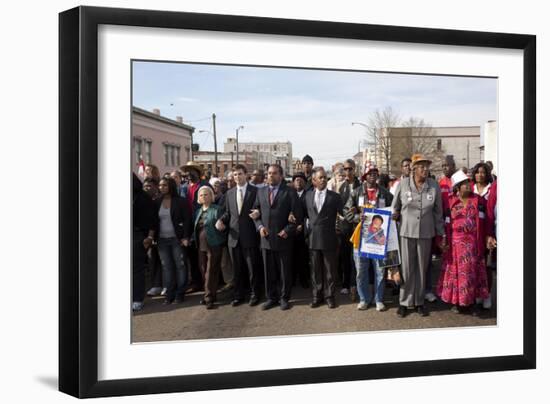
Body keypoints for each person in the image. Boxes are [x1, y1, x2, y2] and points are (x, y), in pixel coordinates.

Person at [391, 154, 446, 317]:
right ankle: (404, 302)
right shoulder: (403, 184)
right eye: (422, 166)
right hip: (406, 232)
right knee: (407, 269)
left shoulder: (433, 185)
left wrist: (442, 235)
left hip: (426, 233)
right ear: (414, 169)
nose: (425, 169)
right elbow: (395, 207)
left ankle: (419, 301)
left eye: (427, 166)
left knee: (422, 268)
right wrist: (394, 214)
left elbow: (438, 213)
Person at [437, 170, 496, 315]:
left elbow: (487, 219)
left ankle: (470, 303)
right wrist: (443, 240)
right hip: (455, 245)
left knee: (471, 275)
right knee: (456, 275)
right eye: (464, 184)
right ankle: (458, 302)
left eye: (469, 183)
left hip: (473, 245)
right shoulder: (450, 201)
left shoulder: (479, 200)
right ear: (457, 187)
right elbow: (445, 223)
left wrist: (488, 236)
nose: (469, 186)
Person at [252, 164, 302, 310]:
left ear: (280, 175)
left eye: (274, 173)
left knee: (284, 271)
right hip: (266, 239)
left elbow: (297, 215)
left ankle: (284, 298)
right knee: (269, 271)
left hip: (283, 238)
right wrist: (259, 226)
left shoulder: (290, 192)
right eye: (268, 173)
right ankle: (271, 297)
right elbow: (255, 212)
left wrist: (288, 230)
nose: (270, 176)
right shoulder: (260, 192)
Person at [345, 163, 393, 311]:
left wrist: (393, 216)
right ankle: (364, 299)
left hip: (379, 239)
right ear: (365, 176)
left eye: (375, 173)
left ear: (377, 175)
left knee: (380, 271)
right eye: (369, 173)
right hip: (361, 238)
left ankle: (379, 299)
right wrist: (356, 217)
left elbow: (393, 211)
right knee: (361, 270)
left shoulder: (386, 193)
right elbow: (347, 212)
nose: (372, 175)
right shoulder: (356, 192)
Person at [216, 164, 263, 306]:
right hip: (234, 237)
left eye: (240, 174)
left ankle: (255, 294)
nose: (237, 177)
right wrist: (221, 220)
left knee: (252, 268)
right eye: (235, 174)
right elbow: (228, 213)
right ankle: (238, 295)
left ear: (246, 175)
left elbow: (262, 207)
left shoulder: (255, 191)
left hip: (249, 235)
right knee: (237, 269)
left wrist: (259, 212)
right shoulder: (229, 193)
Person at [303, 167, 343, 308]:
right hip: (313, 238)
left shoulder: (335, 197)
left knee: (330, 270)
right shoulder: (307, 196)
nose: (323, 180)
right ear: (313, 180)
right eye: (320, 177)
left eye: (325, 177)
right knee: (315, 271)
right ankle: (316, 296)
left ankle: (330, 296)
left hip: (329, 238)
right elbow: (303, 214)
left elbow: (344, 214)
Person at [154, 177, 191, 305]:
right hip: (162, 240)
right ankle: (169, 294)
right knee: (167, 267)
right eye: (160, 185)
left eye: (164, 185)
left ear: (170, 186)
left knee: (180, 266)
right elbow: (154, 221)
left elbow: (187, 220)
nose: (161, 187)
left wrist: (186, 236)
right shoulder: (157, 201)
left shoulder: (180, 201)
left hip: (177, 239)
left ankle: (180, 294)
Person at [180, 161, 211, 293]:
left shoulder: (205, 186)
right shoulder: (184, 188)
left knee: (204, 257)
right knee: (191, 256)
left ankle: (208, 283)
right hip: (187, 225)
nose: (188, 175)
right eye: (186, 172)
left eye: (191, 172)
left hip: (202, 224)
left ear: (197, 173)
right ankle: (196, 282)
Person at [193, 186, 227, 309]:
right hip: (201, 245)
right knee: (203, 269)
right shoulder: (198, 211)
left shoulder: (217, 209)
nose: (204, 197)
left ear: (211, 196)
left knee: (211, 270)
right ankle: (211, 294)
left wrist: (223, 228)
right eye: (201, 195)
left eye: (206, 194)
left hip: (214, 244)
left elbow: (224, 225)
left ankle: (208, 298)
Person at [472, 161, 498, 309]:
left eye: (482, 172)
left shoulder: (492, 189)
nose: (480, 175)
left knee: (487, 266)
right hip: (473, 234)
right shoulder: (470, 188)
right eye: (477, 172)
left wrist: (490, 235)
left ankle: (487, 295)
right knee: (475, 266)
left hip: (488, 232)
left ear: (487, 174)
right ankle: (477, 294)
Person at [338, 159, 361, 301]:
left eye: (350, 169)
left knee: (358, 258)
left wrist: (357, 210)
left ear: (355, 169)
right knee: (345, 256)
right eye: (345, 169)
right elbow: (340, 208)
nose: (347, 172)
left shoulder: (361, 185)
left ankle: (357, 284)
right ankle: (346, 283)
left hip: (358, 225)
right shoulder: (342, 187)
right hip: (346, 227)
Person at [132, 174, 156, 312]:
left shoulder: (143, 197)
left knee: (137, 270)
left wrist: (150, 237)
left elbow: (152, 220)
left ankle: (137, 299)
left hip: (138, 235)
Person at [290, 171, 310, 289]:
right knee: (291, 256)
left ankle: (304, 279)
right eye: (296, 179)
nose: (298, 181)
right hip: (290, 230)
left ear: (305, 182)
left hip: (304, 231)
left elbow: (310, 213)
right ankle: (292, 279)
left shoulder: (309, 195)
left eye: (301, 179)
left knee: (303, 256)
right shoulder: (289, 194)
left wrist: (302, 224)